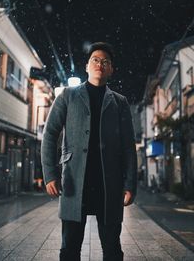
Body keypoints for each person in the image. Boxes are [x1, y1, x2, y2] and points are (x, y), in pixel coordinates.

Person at [41, 42, 137, 261]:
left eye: (105, 62)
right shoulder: (67, 95)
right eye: (95, 60)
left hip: (109, 184)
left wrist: (130, 184)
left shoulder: (120, 102)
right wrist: (50, 175)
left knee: (112, 248)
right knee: (69, 248)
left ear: (111, 69)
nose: (99, 64)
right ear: (86, 66)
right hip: (75, 182)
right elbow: (49, 136)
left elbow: (128, 147)